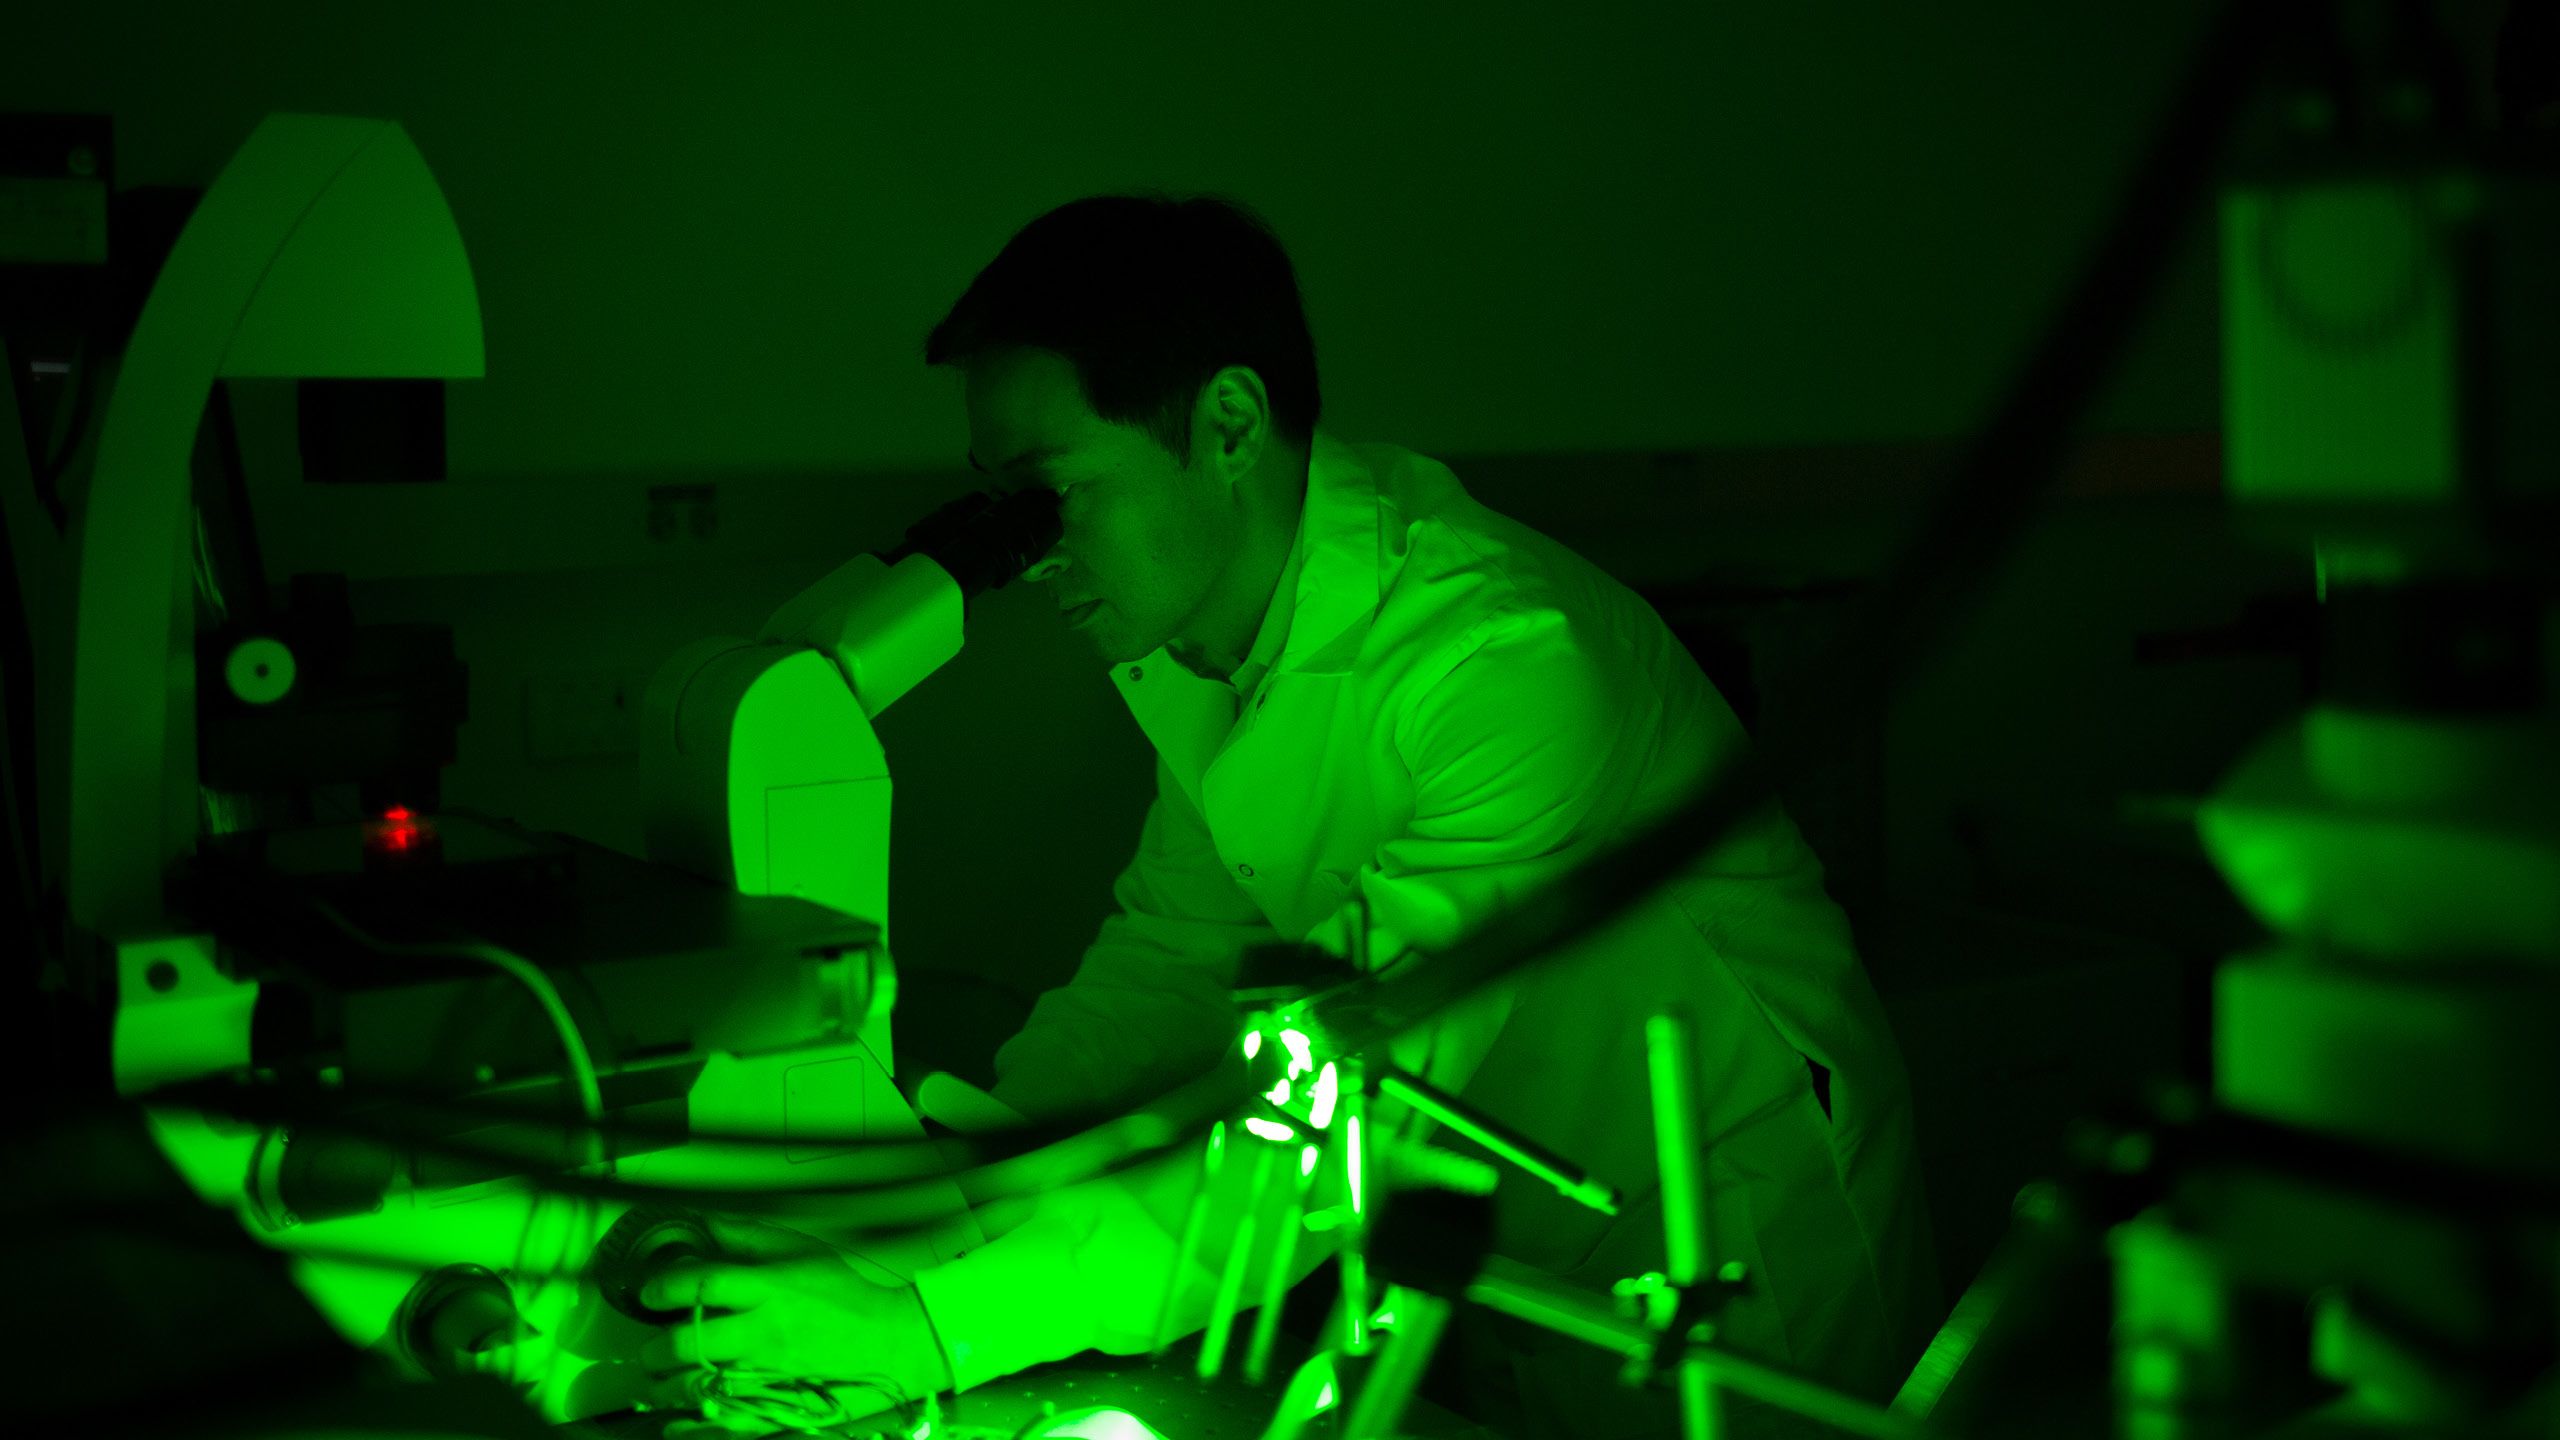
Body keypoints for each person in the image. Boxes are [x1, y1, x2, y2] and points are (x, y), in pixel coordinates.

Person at [643, 192, 1940, 1438]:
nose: (1031, 556)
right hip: (1502, 1226)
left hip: (1725, 1221)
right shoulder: (1206, 649)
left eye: (1054, 494)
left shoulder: (1498, 665)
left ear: (1228, 423)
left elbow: (1336, 1116)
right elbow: (1173, 961)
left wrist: (931, 1327)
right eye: (1005, 506)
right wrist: (957, 1182)